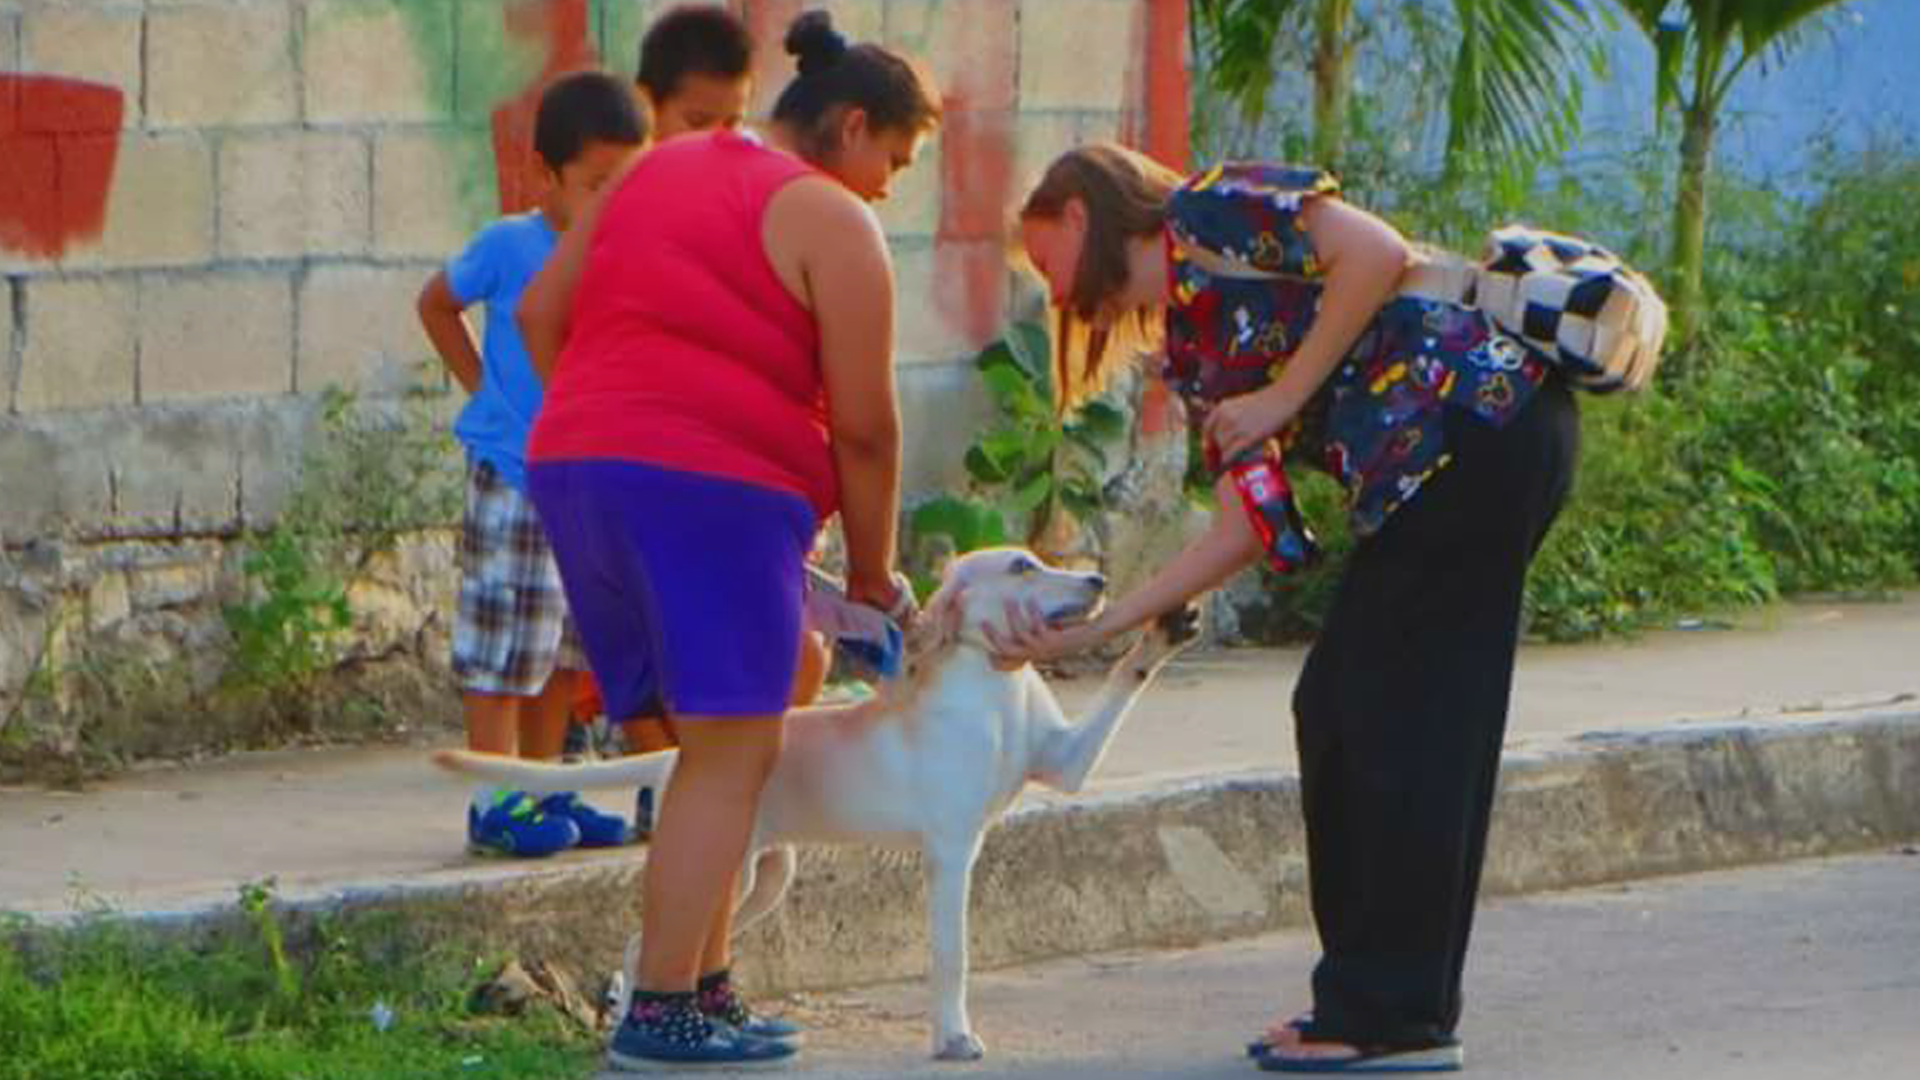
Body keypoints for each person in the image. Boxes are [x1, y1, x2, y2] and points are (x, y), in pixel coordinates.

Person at [995, 145, 1581, 1073]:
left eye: (1046, 258)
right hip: (1448, 463)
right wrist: (1096, 631)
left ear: (1078, 213)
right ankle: (1382, 1004)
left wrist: (1282, 394)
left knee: (1401, 721)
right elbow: (1240, 528)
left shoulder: (1212, 208)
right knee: (1349, 710)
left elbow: (1376, 251)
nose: (1055, 292)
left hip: (1480, 427)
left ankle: (1390, 1016)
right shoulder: (1193, 343)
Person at [517, 11, 940, 1070]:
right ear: (851, 126)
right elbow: (867, 427)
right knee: (732, 752)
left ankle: (704, 990)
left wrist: (613, 411)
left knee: (707, 750)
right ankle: (659, 1012)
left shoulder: (653, 172)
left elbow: (537, 311)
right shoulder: (832, 221)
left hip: (580, 469)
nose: (888, 186)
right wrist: (877, 574)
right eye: (893, 159)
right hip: (709, 486)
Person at [415, 70, 645, 859]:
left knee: (563, 647)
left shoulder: (627, 252)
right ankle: (494, 797)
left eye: (627, 183)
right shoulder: (510, 246)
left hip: (587, 483)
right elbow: (434, 303)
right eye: (595, 184)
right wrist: (484, 390)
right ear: (545, 175)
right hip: (514, 475)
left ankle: (546, 787)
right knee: (505, 642)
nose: (611, 201)